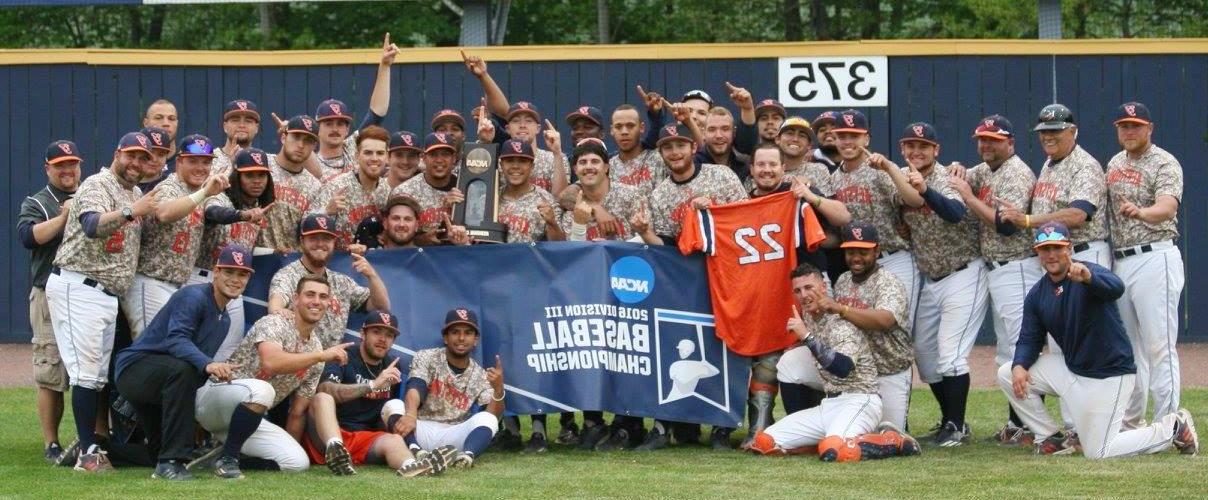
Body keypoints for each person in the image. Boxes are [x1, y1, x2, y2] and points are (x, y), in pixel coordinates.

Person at [997, 221, 1198, 459]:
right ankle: (1050, 438)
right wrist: (1020, 365)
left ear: (1069, 248)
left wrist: (1089, 278)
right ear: (1037, 251)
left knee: (1098, 451)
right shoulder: (1038, 294)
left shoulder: (1087, 271)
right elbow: (1029, 338)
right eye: (1045, 249)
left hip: (1109, 374)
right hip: (1074, 371)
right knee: (1008, 373)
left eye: (1057, 247)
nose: (1051, 254)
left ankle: (1173, 427)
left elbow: (1116, 288)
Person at [45, 132, 160, 472]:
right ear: (117, 153)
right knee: (85, 372)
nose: (136, 163)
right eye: (131, 155)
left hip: (106, 293)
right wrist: (130, 211)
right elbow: (92, 225)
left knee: (95, 374)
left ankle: (90, 445)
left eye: (143, 157)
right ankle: (88, 455)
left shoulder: (135, 192)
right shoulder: (98, 184)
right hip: (79, 284)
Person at [632, 123, 746, 450]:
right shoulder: (661, 194)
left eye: (680, 144)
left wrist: (716, 211)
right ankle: (671, 424)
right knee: (680, 344)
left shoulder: (720, 177)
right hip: (686, 278)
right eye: (668, 147)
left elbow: (744, 220)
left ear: (693, 147)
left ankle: (723, 426)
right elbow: (667, 245)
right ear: (662, 153)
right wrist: (644, 233)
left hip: (726, 271)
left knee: (726, 345)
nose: (675, 152)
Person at [112, 245, 254, 480]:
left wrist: (215, 370)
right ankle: (170, 464)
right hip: (136, 368)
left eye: (242, 274)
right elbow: (176, 340)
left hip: (166, 378)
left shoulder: (225, 319)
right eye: (229, 272)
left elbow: (193, 364)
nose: (235, 279)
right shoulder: (194, 296)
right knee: (185, 371)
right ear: (215, 271)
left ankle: (102, 449)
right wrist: (209, 364)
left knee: (155, 450)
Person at [752, 263, 920, 462]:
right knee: (764, 442)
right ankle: (821, 440)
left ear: (823, 287)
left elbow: (843, 368)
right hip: (830, 403)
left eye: (809, 288)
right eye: (798, 290)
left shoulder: (839, 320)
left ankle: (894, 440)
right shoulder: (808, 313)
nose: (804, 295)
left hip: (859, 399)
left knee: (836, 451)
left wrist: (805, 336)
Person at [192, 275, 354, 477]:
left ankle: (222, 455)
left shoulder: (316, 349)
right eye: (310, 294)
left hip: (248, 421)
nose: (316, 301)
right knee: (263, 389)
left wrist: (289, 445)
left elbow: (297, 412)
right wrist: (320, 356)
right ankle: (228, 460)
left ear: (329, 303)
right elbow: (271, 363)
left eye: (323, 297)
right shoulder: (275, 323)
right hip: (215, 401)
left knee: (296, 462)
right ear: (295, 299)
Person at [947, 114, 1044, 445]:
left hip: (1017, 265)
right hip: (999, 269)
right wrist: (959, 166)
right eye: (981, 139)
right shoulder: (986, 170)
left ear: (1010, 143)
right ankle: (1018, 423)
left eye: (993, 139)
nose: (985, 144)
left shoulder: (1016, 173)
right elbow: (958, 175)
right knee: (1007, 351)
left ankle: (1030, 425)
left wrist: (969, 197)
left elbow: (1006, 225)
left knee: (1021, 347)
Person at [892, 122, 988, 446]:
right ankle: (951, 420)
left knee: (951, 357)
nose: (916, 151)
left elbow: (955, 213)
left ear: (937, 150)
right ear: (903, 150)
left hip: (964, 273)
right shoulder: (902, 181)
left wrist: (925, 191)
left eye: (923, 146)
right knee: (925, 357)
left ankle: (956, 428)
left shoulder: (950, 177)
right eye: (910, 145)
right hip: (931, 280)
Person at [784, 222, 914, 433]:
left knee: (890, 435)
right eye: (851, 251)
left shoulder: (887, 282)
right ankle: (808, 426)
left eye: (863, 252)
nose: (856, 257)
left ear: (877, 251)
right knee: (790, 362)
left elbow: (885, 320)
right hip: (855, 369)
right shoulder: (844, 280)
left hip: (888, 369)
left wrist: (841, 308)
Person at [1104, 102, 1185, 430]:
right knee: (1129, 347)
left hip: (1156, 256)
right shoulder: (1114, 163)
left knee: (1159, 346)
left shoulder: (1164, 162)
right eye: (1124, 125)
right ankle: (1130, 421)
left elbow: (1166, 207)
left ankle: (1167, 422)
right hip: (1122, 260)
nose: (1129, 131)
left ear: (1149, 128)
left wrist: (1141, 211)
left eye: (1136, 125)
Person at [304, 310, 451, 477]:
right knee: (322, 398)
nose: (383, 339)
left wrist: (396, 430)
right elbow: (326, 390)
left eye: (389, 335)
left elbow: (384, 412)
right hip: (327, 434)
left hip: (360, 437)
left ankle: (415, 467)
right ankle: (336, 450)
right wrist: (372, 385)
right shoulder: (343, 355)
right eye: (376, 332)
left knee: (394, 438)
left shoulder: (392, 366)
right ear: (362, 334)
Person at [828, 109, 924, 337]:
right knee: (868, 333)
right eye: (842, 136)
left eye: (855, 135)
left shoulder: (880, 170)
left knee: (899, 330)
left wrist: (890, 168)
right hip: (858, 265)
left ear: (866, 138)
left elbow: (915, 200)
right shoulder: (833, 179)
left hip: (894, 257)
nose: (848, 141)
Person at [124, 134, 228, 338]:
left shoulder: (201, 190)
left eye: (206, 162)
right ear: (179, 161)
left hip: (178, 284)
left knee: (171, 349)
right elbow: (164, 214)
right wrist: (204, 193)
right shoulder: (168, 186)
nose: (200, 168)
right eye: (193, 161)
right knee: (151, 348)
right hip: (150, 279)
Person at [18, 139, 82, 464]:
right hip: (48, 293)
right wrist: (63, 217)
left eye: (72, 164)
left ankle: (93, 437)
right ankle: (51, 443)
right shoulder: (38, 201)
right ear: (48, 168)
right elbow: (29, 237)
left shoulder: (93, 194)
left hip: (85, 294)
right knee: (50, 370)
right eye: (60, 165)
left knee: (90, 370)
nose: (68, 170)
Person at [380, 307, 505, 469]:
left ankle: (466, 457)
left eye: (468, 333)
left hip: (454, 434)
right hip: (420, 429)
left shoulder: (481, 375)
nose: (461, 338)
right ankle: (417, 451)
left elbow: (492, 415)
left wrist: (498, 390)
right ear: (445, 337)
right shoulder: (427, 357)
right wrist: (410, 415)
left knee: (488, 419)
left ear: (476, 340)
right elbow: (415, 387)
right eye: (455, 332)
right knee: (393, 406)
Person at [191, 147, 276, 362]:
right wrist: (242, 215)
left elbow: (242, 244)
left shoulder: (257, 207)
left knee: (229, 350)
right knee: (194, 343)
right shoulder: (219, 196)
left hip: (232, 287)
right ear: (237, 177)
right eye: (249, 175)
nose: (257, 181)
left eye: (261, 175)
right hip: (201, 279)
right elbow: (213, 213)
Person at [997, 104, 1110, 266]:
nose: (1048, 136)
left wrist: (1027, 220)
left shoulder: (1085, 165)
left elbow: (1077, 215)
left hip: (1084, 255)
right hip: (1055, 257)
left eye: (1055, 131)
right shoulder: (1050, 162)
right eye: (1043, 131)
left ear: (1072, 131)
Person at [267, 214, 390, 348]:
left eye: (326, 239)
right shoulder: (288, 275)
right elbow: (275, 305)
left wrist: (372, 275)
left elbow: (381, 305)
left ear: (334, 243)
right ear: (302, 241)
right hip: (296, 359)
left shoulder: (341, 282)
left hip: (331, 363)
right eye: (313, 238)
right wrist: (278, 311)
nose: (320, 244)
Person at [312, 34, 398, 181]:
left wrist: (384, 66)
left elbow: (377, 112)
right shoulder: (310, 161)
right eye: (328, 123)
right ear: (317, 129)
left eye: (340, 124)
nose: (335, 129)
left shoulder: (353, 148)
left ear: (347, 129)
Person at [312, 125, 392, 251]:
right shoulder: (337, 186)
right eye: (368, 152)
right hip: (337, 263)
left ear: (387, 157)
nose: (374, 158)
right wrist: (326, 211)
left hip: (374, 263)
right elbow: (304, 226)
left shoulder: (387, 191)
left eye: (380, 153)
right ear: (356, 156)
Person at [259, 115, 323, 253]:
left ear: (314, 146)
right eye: (296, 137)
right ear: (283, 138)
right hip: (253, 258)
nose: (300, 145)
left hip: (291, 262)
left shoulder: (314, 186)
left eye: (308, 141)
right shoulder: (261, 166)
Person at [560, 139, 645, 242]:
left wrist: (609, 248)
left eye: (595, 161)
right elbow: (573, 253)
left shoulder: (631, 195)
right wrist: (579, 223)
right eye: (583, 162)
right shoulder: (572, 209)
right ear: (575, 170)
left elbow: (646, 239)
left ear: (606, 168)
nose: (589, 166)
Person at [497, 138, 565, 243]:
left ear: (532, 166)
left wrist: (552, 223)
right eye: (510, 161)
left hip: (528, 259)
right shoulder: (491, 198)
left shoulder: (546, 200)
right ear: (501, 165)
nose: (515, 166)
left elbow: (560, 247)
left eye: (522, 161)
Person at [392, 132, 461, 233]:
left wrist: (456, 209)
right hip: (419, 248)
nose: (439, 160)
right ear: (424, 158)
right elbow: (396, 235)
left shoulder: (466, 187)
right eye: (433, 155)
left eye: (445, 154)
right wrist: (421, 239)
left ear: (454, 158)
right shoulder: (405, 191)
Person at [607, 101, 666, 195]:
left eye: (630, 126)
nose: (624, 132)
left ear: (641, 127)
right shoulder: (606, 168)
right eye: (618, 127)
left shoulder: (660, 159)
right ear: (612, 130)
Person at [211, 99, 261, 177]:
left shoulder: (263, 160)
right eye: (235, 120)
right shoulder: (209, 159)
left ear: (256, 128)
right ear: (225, 126)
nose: (242, 125)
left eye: (248, 121)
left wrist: (286, 132)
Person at [139, 100, 179, 190]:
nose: (166, 123)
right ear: (145, 123)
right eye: (158, 118)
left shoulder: (186, 162)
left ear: (177, 123)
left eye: (171, 119)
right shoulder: (133, 162)